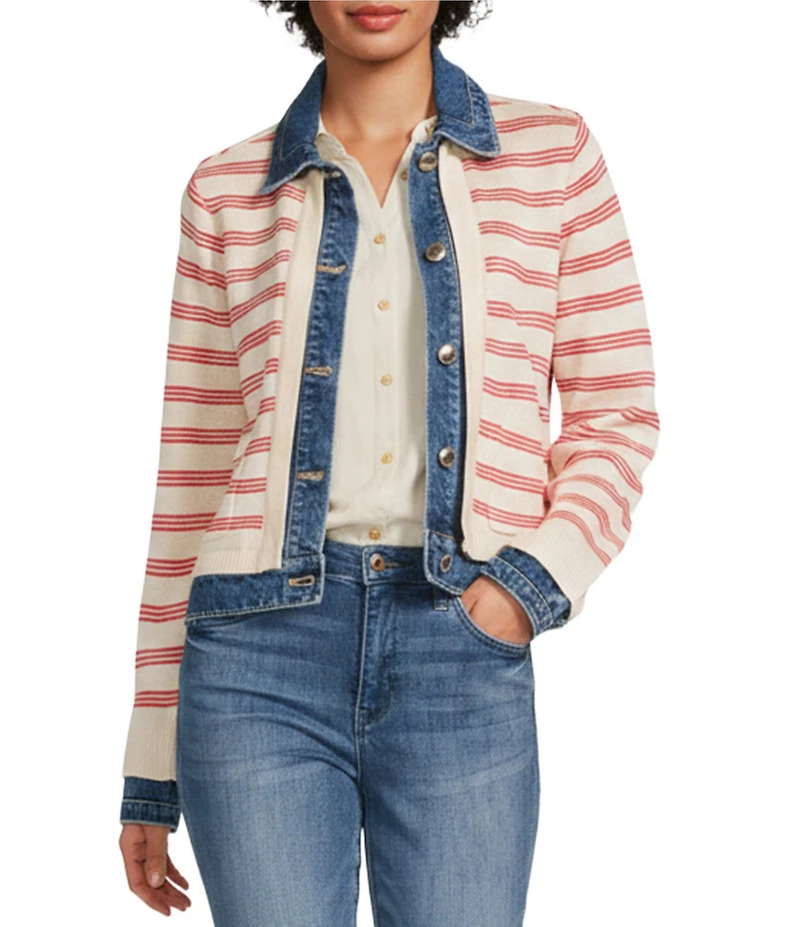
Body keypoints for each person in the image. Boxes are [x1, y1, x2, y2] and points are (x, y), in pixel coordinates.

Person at [118, 2, 660, 923]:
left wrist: (526, 587)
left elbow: (617, 413)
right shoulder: (226, 190)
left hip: (463, 644)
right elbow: (193, 473)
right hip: (254, 659)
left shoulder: (553, 156)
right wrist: (151, 755)